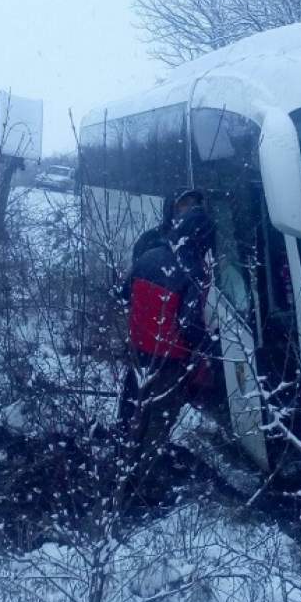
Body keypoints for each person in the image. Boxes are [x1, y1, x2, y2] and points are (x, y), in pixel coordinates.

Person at [119, 198, 216, 463]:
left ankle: (121, 464)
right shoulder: (192, 270)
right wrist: (210, 347)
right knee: (158, 422)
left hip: (137, 352)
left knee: (131, 409)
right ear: (201, 239)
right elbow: (189, 323)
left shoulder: (149, 255)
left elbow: (123, 295)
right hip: (169, 360)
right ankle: (147, 485)